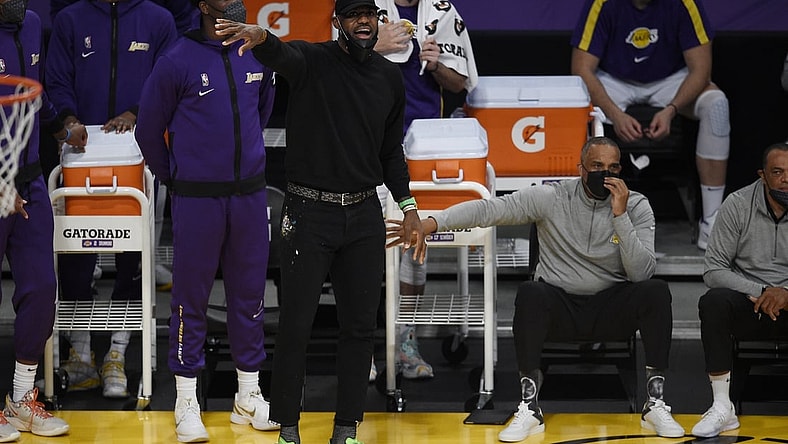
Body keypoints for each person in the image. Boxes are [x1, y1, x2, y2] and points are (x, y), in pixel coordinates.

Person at [214, 0, 425, 442]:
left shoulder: (388, 77)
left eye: (370, 14)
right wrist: (262, 39)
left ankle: (346, 428)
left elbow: (391, 152)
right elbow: (281, 53)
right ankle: (287, 426)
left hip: (365, 214)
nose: (364, 21)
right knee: (295, 324)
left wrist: (408, 206)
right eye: (353, 15)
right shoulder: (313, 60)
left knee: (359, 327)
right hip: (309, 214)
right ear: (338, 23)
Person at [390, 136, 684, 441]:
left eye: (611, 168)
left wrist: (620, 215)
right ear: (581, 168)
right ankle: (529, 407)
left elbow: (641, 272)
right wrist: (430, 224)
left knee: (655, 291)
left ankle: (655, 404)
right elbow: (489, 210)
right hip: (560, 306)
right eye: (596, 166)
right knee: (531, 293)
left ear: (620, 170)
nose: (604, 173)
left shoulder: (637, 206)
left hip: (611, 308)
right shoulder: (552, 197)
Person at [134, 0, 277, 441]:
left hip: (250, 195)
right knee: (189, 299)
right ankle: (186, 399)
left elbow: (263, 111)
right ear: (202, 5)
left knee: (250, 294)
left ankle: (247, 394)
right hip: (197, 199)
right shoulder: (176, 59)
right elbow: (147, 130)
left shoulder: (255, 50)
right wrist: (177, 179)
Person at [45, 0, 177, 398]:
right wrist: (68, 120)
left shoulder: (159, 19)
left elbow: (170, 79)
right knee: (74, 258)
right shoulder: (70, 19)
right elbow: (56, 80)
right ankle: (80, 354)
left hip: (142, 156)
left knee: (134, 259)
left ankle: (117, 353)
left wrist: (138, 112)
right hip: (81, 157)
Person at [369, 0, 478, 380]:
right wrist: (373, 44)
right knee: (364, 248)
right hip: (365, 143)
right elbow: (325, 62)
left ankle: (405, 342)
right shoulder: (365, 7)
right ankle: (364, 344)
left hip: (421, 149)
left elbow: (461, 83)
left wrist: (435, 65)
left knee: (413, 247)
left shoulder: (442, 12)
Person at [570, 0, 730, 250]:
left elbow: (701, 70)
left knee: (716, 105)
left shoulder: (683, 4)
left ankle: (711, 221)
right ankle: (582, 219)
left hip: (670, 81)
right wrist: (614, 113)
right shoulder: (604, 4)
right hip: (615, 81)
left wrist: (671, 110)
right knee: (572, 100)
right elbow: (581, 69)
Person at [0, 2, 87, 439]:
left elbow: (33, 90)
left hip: (29, 179)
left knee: (41, 290)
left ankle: (21, 399)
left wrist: (59, 126)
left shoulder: (32, 23)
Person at [691, 142, 788, 438]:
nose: (786, 179)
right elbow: (714, 269)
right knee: (714, 302)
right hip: (752, 303)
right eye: (777, 172)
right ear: (763, 175)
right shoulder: (737, 204)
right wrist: (763, 290)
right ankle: (723, 407)